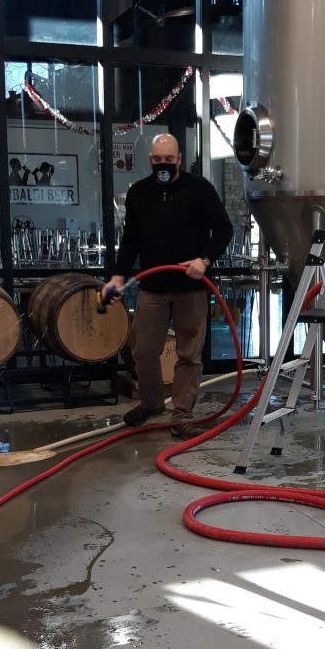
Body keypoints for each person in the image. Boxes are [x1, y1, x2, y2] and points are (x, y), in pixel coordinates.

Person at [102, 132, 233, 439]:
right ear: (151, 160)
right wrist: (119, 275)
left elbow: (223, 229)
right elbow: (131, 239)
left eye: (169, 159)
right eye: (158, 159)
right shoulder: (139, 193)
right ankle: (152, 403)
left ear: (179, 159)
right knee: (144, 350)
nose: (164, 164)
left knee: (189, 354)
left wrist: (204, 260)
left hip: (192, 287)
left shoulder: (199, 189)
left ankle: (182, 415)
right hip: (152, 287)